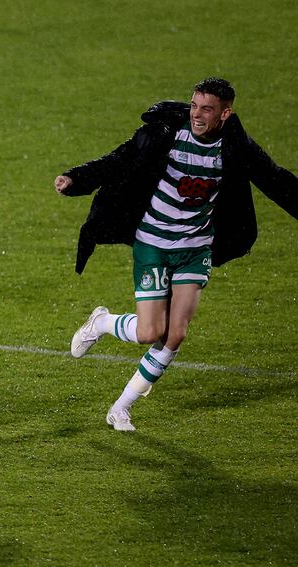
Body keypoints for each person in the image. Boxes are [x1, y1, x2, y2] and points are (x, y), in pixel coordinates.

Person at [54, 77, 298, 432]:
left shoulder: (234, 146)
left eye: (207, 109)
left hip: (195, 249)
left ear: (225, 114)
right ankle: (103, 322)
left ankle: (121, 408)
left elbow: (275, 179)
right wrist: (75, 179)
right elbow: (120, 159)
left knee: (176, 333)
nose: (197, 114)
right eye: (195, 106)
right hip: (153, 242)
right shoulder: (167, 131)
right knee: (150, 331)